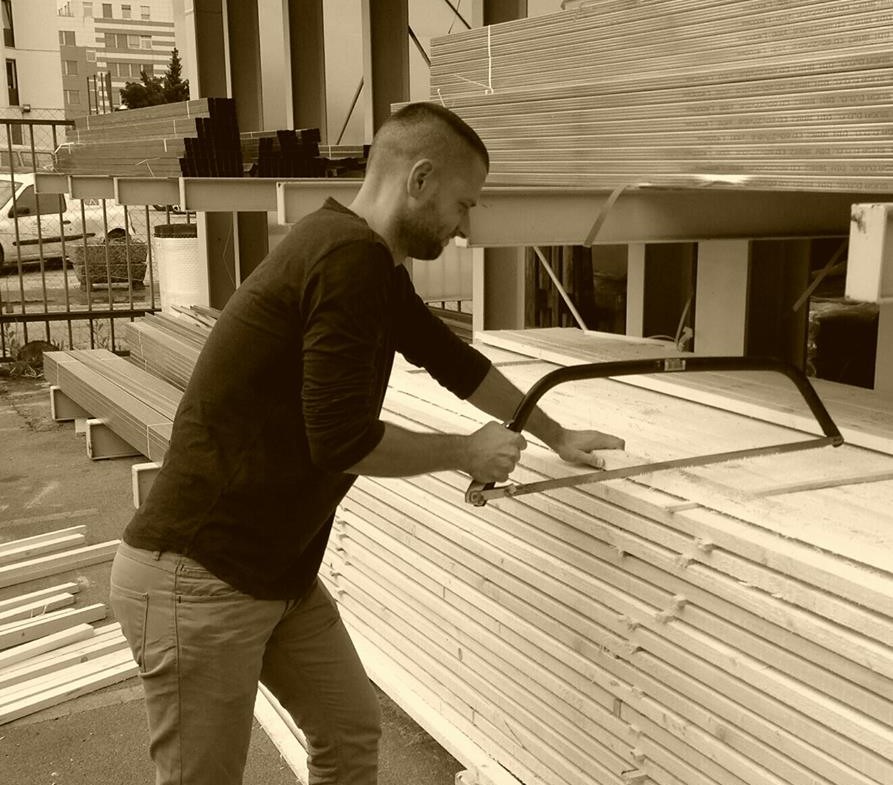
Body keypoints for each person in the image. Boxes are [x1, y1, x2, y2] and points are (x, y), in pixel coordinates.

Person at [109, 101, 624, 785]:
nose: (465, 226)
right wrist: (463, 452)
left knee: (348, 730)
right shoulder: (345, 258)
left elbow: (452, 360)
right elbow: (340, 439)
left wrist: (554, 434)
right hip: (200, 574)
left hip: (276, 572)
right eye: (462, 204)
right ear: (419, 179)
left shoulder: (364, 261)